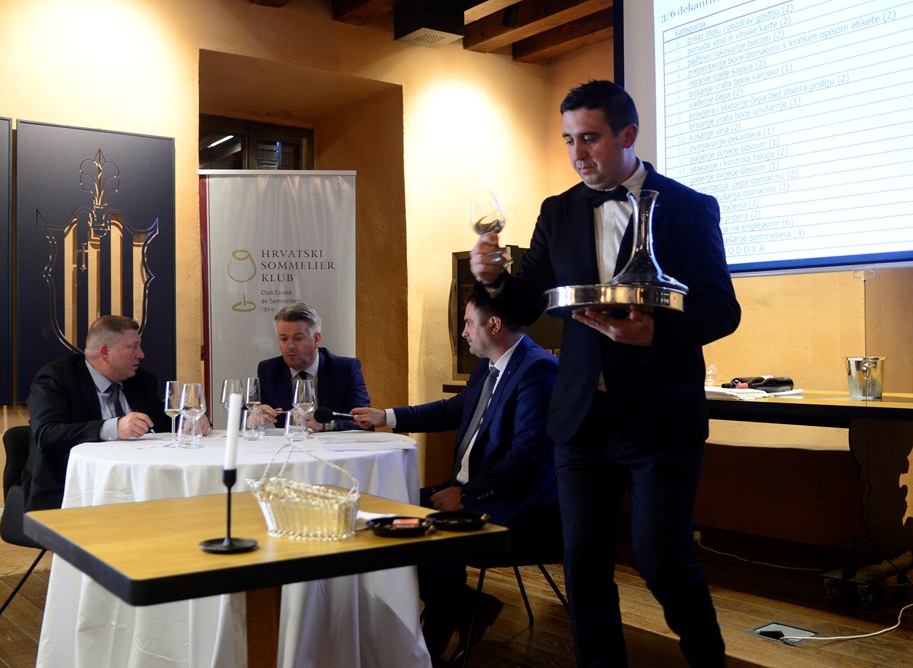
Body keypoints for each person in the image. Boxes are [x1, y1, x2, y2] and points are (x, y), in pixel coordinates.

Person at [470, 80, 741, 667]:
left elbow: (723, 310)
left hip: (660, 418)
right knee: (584, 567)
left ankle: (708, 661)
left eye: (589, 138)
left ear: (627, 134)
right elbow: (524, 306)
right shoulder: (558, 210)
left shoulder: (690, 207)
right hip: (581, 419)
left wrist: (654, 334)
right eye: (569, 140)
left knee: (662, 562)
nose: (577, 153)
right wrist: (493, 280)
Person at [352, 287, 558, 666]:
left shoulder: (538, 370)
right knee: (381, 519)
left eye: (468, 323)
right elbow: (452, 410)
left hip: (514, 506)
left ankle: (432, 646)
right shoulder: (488, 366)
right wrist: (386, 417)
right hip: (468, 492)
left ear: (493, 325)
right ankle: (468, 607)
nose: (463, 332)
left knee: (429, 537)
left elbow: (529, 459)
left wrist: (467, 496)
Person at [22, 315, 207, 511]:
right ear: (105, 352)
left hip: (137, 486)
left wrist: (192, 420)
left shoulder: (140, 380)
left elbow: (163, 421)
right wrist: (113, 428)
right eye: (132, 347)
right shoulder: (56, 378)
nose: (141, 354)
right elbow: (46, 435)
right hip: (74, 488)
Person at [256, 302, 370, 431]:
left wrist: (326, 425)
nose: (290, 346)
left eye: (298, 339)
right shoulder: (268, 370)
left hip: (333, 443)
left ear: (316, 339)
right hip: (289, 443)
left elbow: (364, 421)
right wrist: (253, 417)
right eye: (283, 339)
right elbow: (245, 413)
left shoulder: (345, 369)